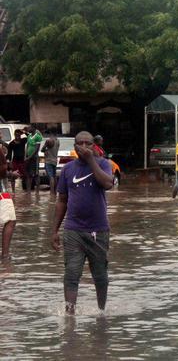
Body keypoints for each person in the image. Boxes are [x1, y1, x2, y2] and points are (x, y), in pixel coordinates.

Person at [50, 131, 114, 315]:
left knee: (100, 276)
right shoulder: (68, 169)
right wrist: (54, 230)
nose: (84, 147)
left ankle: (102, 313)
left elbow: (108, 183)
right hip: (73, 230)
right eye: (80, 144)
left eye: (88, 143)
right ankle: (70, 315)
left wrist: (91, 161)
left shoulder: (103, 164)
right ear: (75, 147)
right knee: (71, 274)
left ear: (94, 146)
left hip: (98, 230)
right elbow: (62, 200)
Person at [0, 141, 16, 259]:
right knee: (10, 219)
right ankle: (5, 256)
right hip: (1, 190)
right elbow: (2, 170)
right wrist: (10, 173)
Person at [24, 126, 43, 193]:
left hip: (34, 158)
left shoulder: (38, 137)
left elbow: (37, 149)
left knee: (36, 174)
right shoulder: (29, 136)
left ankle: (37, 191)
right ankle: (28, 191)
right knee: (28, 174)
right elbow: (28, 146)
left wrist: (29, 157)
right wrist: (26, 156)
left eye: (29, 128)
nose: (28, 129)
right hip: (28, 158)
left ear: (34, 128)